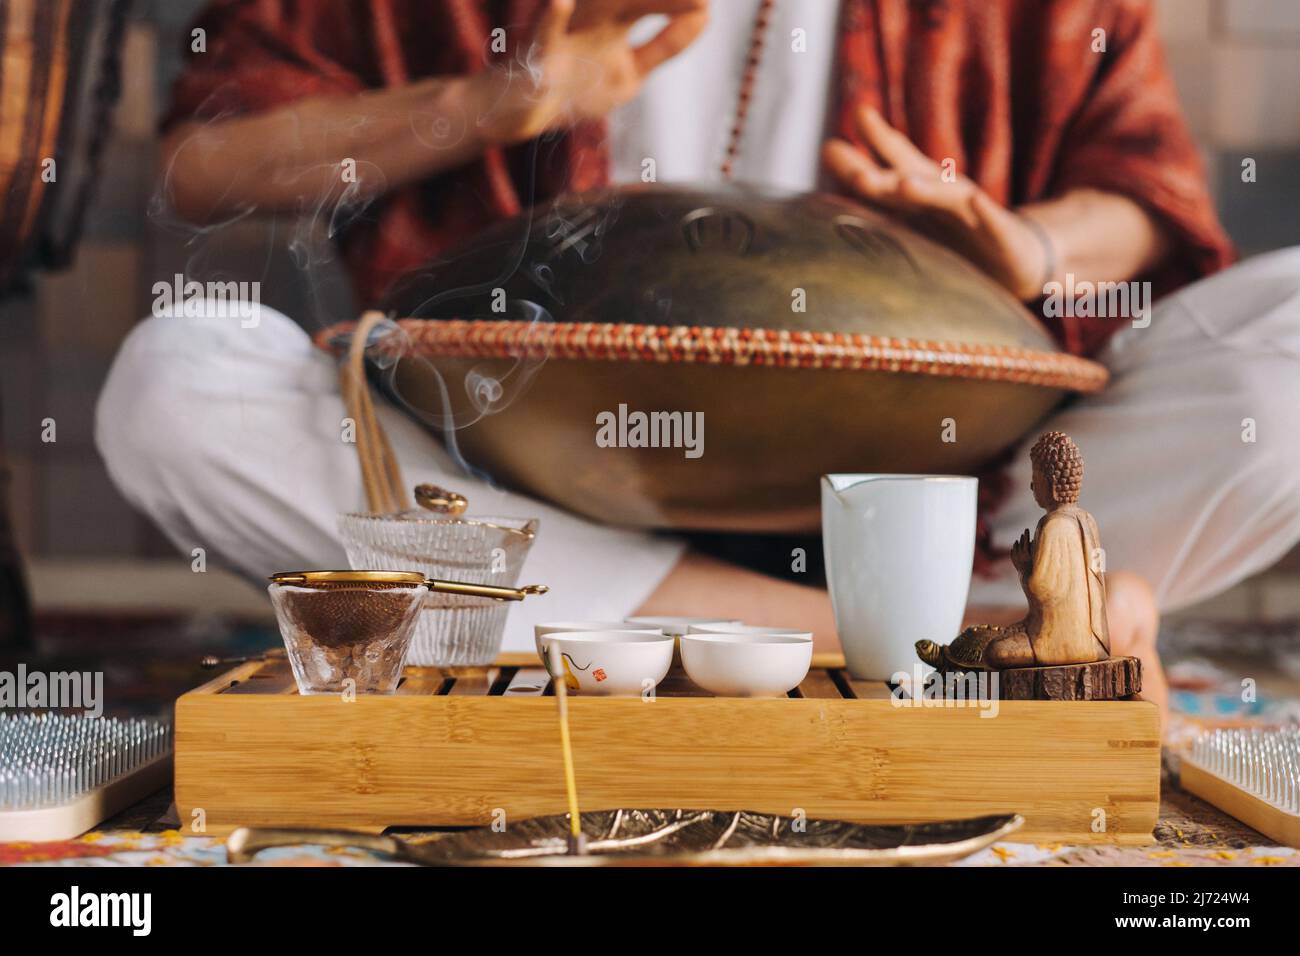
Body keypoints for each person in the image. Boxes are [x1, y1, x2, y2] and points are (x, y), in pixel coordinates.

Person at [97, 1, 1300, 719]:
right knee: (174, 387)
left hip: (947, 476)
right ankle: (973, 635)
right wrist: (482, 101)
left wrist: (1027, 245)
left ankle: (944, 595)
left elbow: (1145, 194)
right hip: (518, 473)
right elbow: (207, 164)